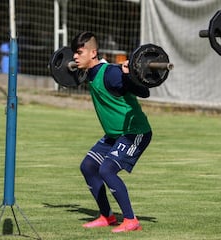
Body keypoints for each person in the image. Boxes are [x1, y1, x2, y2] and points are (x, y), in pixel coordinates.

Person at [72, 31, 152, 233]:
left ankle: (131, 220)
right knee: (88, 166)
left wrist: (128, 76)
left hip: (135, 132)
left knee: (106, 169)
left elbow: (145, 92)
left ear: (93, 53)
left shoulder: (111, 74)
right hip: (115, 134)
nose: (74, 57)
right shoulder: (90, 73)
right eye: (74, 53)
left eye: (79, 52)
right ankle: (107, 216)